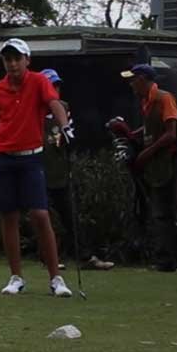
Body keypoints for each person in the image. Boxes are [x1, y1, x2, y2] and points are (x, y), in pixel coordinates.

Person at [0, 39, 74, 297]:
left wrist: (65, 128)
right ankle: (16, 277)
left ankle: (56, 279)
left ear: (27, 60)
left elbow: (55, 105)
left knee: (40, 215)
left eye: (17, 58)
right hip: (1, 157)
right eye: (8, 59)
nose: (12, 64)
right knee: (9, 216)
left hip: (30, 157)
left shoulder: (39, 82)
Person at [121, 64, 177, 273]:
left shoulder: (164, 98)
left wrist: (147, 152)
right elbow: (151, 129)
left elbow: (171, 133)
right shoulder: (145, 101)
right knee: (160, 211)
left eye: (133, 79)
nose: (131, 84)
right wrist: (130, 135)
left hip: (175, 159)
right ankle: (165, 260)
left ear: (144, 79)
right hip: (159, 163)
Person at [40, 69, 114, 271]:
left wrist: (67, 138)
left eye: (57, 85)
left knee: (69, 216)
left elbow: (69, 137)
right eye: (51, 86)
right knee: (43, 217)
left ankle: (86, 256)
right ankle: (49, 257)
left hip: (60, 171)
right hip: (38, 172)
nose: (55, 90)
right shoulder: (33, 110)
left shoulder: (63, 108)